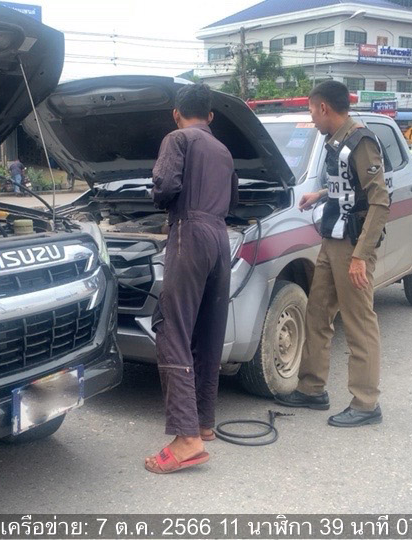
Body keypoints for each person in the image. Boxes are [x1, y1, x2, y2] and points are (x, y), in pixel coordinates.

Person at [275, 80, 390, 427]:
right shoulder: (336, 140)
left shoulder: (361, 141)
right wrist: (321, 194)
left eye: (312, 110)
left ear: (324, 108)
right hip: (332, 238)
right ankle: (312, 389)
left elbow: (379, 200)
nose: (311, 117)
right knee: (317, 314)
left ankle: (366, 404)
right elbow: (349, 186)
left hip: (353, 245)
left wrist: (360, 256)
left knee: (359, 323)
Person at [144, 83, 237, 474]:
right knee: (208, 332)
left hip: (190, 232)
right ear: (210, 116)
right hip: (220, 238)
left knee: (173, 329)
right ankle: (203, 422)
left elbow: (165, 186)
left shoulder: (177, 138)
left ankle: (186, 440)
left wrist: (158, 200)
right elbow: (233, 199)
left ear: (176, 113)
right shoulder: (223, 150)